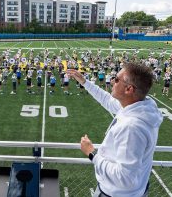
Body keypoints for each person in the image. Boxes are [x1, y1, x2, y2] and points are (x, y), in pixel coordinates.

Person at [66, 62, 163, 197]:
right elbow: (107, 100)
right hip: (135, 190)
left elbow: (125, 178)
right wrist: (84, 82)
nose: (112, 81)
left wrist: (92, 153)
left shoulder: (132, 127)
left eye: (117, 80)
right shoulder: (140, 107)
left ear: (129, 89)